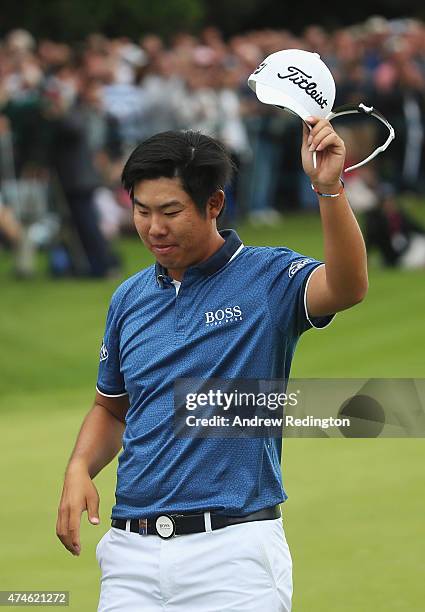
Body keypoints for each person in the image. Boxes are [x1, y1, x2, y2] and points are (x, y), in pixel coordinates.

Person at [56, 120, 368, 611]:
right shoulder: (129, 298)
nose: (154, 228)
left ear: (214, 204)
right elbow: (112, 408)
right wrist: (79, 467)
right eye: (141, 211)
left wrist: (328, 189)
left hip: (232, 554)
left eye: (171, 211)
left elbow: (348, 286)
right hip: (130, 557)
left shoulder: (267, 276)